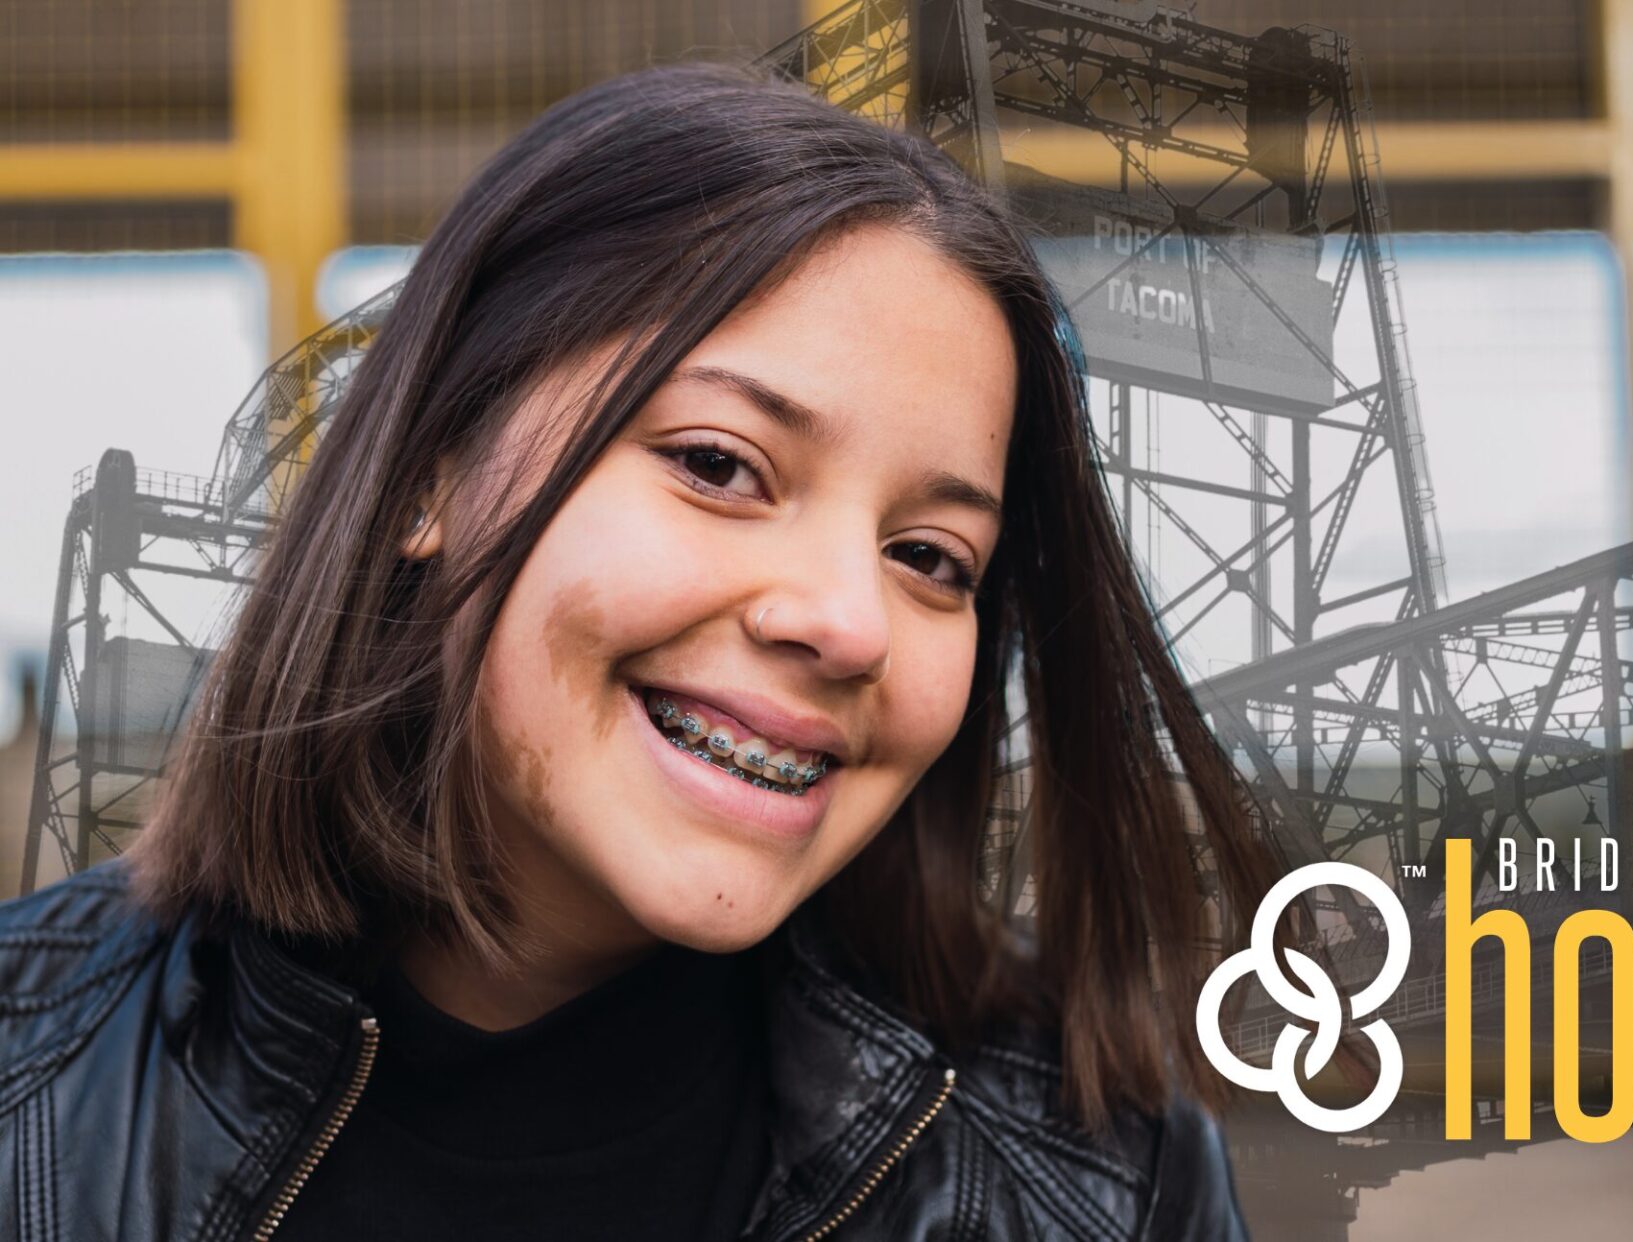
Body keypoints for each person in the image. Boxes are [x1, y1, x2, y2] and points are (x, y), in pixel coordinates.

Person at [0, 62, 1283, 1240]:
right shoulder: (30, 1096)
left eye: (930, 557)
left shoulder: (1112, 1183)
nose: (846, 620)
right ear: (425, 477)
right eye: (719, 466)